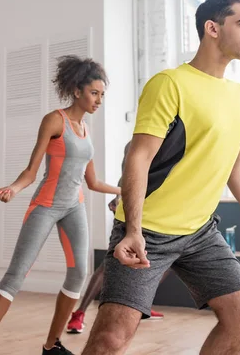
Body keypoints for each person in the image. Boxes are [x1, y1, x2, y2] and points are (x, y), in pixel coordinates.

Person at [80, 0, 240, 355]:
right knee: (110, 338)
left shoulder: (237, 96)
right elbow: (138, 159)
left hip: (200, 232)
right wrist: (132, 230)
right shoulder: (170, 84)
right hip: (147, 233)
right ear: (212, 27)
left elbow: (232, 165)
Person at [0, 55, 121, 355]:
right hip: (46, 205)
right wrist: (13, 189)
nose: (99, 100)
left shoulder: (86, 130)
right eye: (94, 93)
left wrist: (125, 190)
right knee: (15, 276)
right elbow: (31, 171)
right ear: (77, 91)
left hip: (74, 207)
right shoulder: (55, 120)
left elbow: (92, 182)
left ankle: (51, 346)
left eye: (102, 95)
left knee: (78, 274)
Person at [66, 141, 171, 334]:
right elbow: (128, 175)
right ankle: (79, 314)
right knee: (108, 265)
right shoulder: (136, 143)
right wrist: (120, 197)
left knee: (168, 261)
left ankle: (141, 305)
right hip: (133, 210)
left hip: (158, 209)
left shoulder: (174, 142)